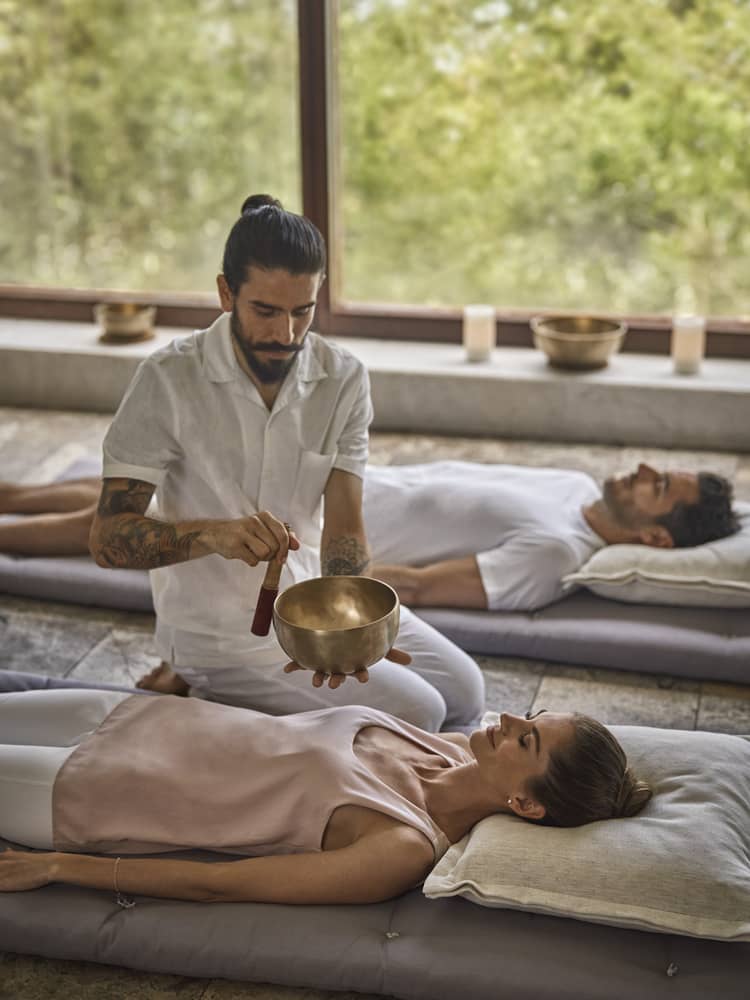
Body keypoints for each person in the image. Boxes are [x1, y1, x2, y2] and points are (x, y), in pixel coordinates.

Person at [82, 195, 484, 732]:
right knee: (421, 711)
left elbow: (344, 526)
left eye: (303, 311)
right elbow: (107, 539)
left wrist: (350, 629)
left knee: (465, 691)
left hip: (312, 604)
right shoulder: (167, 380)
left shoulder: (343, 378)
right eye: (266, 311)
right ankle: (199, 682)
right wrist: (214, 536)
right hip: (219, 632)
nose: (286, 334)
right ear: (226, 292)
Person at [0, 688, 651, 905]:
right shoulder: (451, 745)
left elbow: (220, 886)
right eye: (530, 716)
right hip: (135, 713)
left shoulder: (399, 847)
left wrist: (60, 867)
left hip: (91, 791)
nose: (509, 721)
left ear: (526, 805)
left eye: (527, 740)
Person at [1, 460, 738, 612]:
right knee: (132, 484)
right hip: (333, 474)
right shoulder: (574, 488)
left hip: (305, 525)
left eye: (660, 487)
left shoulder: (554, 558)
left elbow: (412, 585)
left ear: (658, 537)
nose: (643, 469)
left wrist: (300, 569)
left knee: (114, 525)